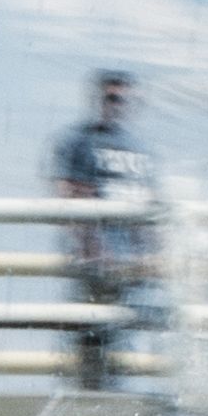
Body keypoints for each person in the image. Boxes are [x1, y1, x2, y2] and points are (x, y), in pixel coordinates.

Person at [48, 71, 157, 388]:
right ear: (98, 100)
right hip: (99, 262)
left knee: (130, 338)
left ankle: (119, 397)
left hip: (134, 264)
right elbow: (70, 195)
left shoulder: (139, 148)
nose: (118, 104)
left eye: (124, 98)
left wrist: (152, 254)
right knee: (94, 336)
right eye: (111, 97)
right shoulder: (79, 141)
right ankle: (91, 397)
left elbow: (148, 206)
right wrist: (93, 249)